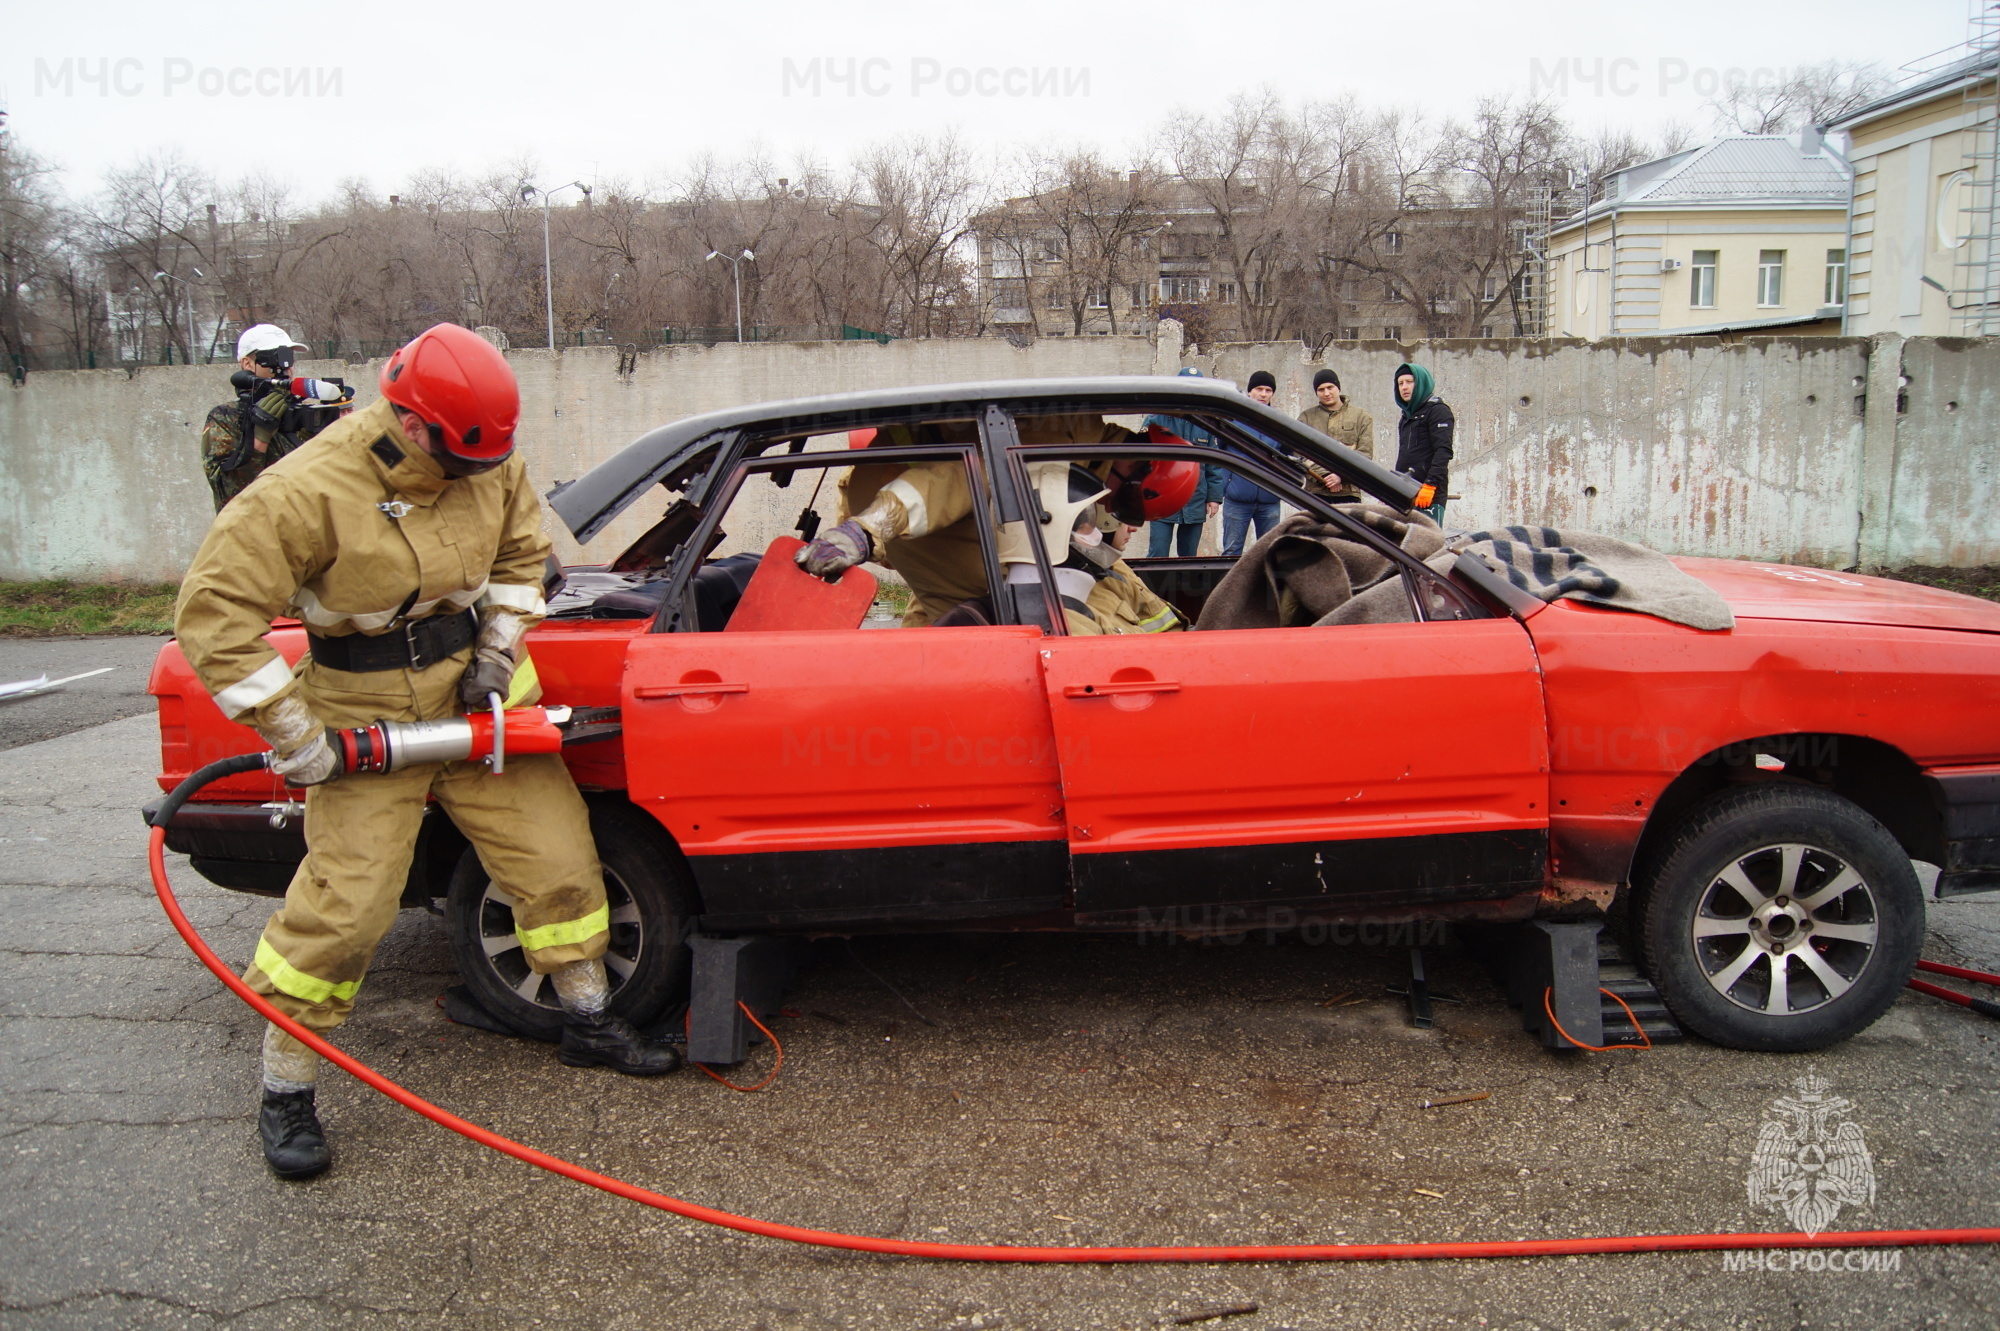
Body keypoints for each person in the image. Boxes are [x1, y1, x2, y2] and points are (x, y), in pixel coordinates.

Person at [174, 323, 680, 1182]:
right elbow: (214, 619)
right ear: (412, 424)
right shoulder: (303, 490)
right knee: (347, 908)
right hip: (361, 710)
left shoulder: (486, 455)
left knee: (559, 862)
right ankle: (287, 1084)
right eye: (464, 462)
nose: (483, 475)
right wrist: (297, 739)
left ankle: (589, 1018)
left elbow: (524, 557)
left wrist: (497, 649)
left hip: (477, 691)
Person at [199, 324, 351, 512]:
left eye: (289, 356)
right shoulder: (226, 417)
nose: (284, 366)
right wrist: (259, 438)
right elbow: (229, 495)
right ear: (247, 363)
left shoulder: (300, 413)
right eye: (273, 357)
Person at [1141, 368, 1227, 557]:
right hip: (1162, 497)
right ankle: (1153, 587)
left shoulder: (1207, 423)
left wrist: (1213, 497)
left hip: (1194, 498)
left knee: (1188, 556)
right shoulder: (1157, 420)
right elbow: (1140, 459)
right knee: (1158, 552)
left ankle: (1184, 587)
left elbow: (1213, 463)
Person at [1220, 370, 1284, 556]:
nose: (1263, 394)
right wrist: (1228, 486)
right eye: (1259, 389)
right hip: (1237, 499)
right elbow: (1221, 452)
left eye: (1268, 390)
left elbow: (1286, 455)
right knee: (1232, 551)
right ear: (1249, 391)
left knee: (1270, 553)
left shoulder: (1279, 422)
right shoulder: (1233, 420)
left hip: (1269, 500)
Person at [1295, 368, 1374, 501]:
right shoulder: (1306, 418)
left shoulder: (1361, 416)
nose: (1326, 393)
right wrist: (1324, 476)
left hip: (1349, 493)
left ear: (1338, 388)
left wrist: (1341, 476)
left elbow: (1365, 454)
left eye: (1330, 387)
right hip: (1315, 492)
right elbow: (1299, 453)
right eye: (1321, 389)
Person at [1392, 362, 1453, 526]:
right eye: (1400, 383)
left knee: (1428, 547)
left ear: (1421, 382)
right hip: (1405, 493)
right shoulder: (1406, 416)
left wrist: (1430, 486)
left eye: (1409, 382)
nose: (1404, 387)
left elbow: (1443, 452)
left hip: (1429, 495)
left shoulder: (1438, 411)